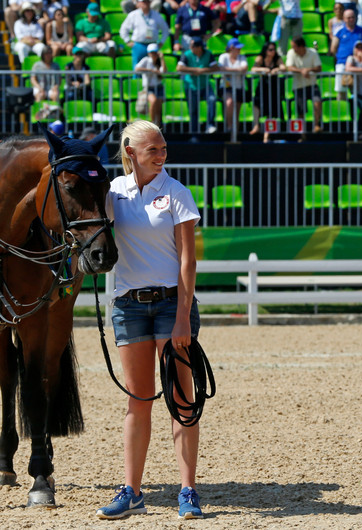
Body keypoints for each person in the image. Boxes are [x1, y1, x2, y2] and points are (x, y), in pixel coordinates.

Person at [97, 120, 202, 521]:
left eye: (163, 148)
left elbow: (188, 260)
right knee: (137, 401)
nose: (162, 155)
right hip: (128, 305)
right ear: (130, 152)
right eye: (153, 150)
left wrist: (182, 319)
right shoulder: (111, 195)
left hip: (173, 304)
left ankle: (188, 489)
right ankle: (132, 490)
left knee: (181, 399)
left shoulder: (176, 192)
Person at [178, 36, 219, 135]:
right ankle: (194, 132)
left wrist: (202, 70)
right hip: (191, 86)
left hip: (205, 85)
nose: (191, 48)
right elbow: (179, 67)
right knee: (193, 110)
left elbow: (215, 67)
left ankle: (210, 124)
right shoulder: (187, 54)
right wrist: (195, 70)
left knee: (212, 99)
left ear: (199, 47)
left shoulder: (208, 54)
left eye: (192, 46)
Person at [285, 36, 323, 137]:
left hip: (312, 84)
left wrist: (308, 70)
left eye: (294, 47)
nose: (293, 49)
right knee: (300, 110)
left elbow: (319, 68)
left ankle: (316, 125)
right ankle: (302, 133)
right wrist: (302, 71)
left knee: (318, 102)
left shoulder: (313, 52)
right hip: (298, 86)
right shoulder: (291, 53)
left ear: (301, 46)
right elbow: (289, 67)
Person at [250, 42, 286, 141]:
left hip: (273, 87)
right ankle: (256, 125)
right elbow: (253, 68)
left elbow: (283, 67)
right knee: (256, 104)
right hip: (263, 86)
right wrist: (263, 69)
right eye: (270, 49)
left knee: (271, 111)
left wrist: (276, 69)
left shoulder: (277, 58)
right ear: (266, 50)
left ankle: (266, 135)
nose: (272, 51)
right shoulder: (260, 58)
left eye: (274, 49)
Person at [120, 0, 170, 68]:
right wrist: (127, 41)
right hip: (138, 45)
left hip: (153, 44)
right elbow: (123, 29)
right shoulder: (133, 15)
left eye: (147, 1)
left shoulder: (156, 15)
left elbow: (165, 30)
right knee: (137, 68)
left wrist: (162, 42)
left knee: (154, 67)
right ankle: (136, 79)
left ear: (150, 3)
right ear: (139, 3)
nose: (145, 3)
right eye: (143, 1)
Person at [331, 9, 362, 100]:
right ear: (344, 19)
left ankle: (357, 112)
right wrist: (340, 57)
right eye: (348, 18)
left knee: (358, 92)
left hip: (357, 65)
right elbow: (333, 48)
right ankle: (341, 111)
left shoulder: (361, 31)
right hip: (342, 64)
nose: (351, 19)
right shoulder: (340, 31)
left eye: (353, 17)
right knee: (341, 90)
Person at [218, 37, 249, 132]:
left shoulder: (242, 57)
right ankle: (229, 126)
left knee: (237, 112)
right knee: (229, 102)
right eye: (237, 48)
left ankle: (234, 136)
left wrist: (229, 71)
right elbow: (221, 69)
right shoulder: (223, 56)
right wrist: (237, 70)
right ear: (231, 48)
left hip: (239, 87)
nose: (239, 50)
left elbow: (244, 69)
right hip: (226, 87)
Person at [135, 42, 167, 126]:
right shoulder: (146, 60)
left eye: (155, 52)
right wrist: (151, 70)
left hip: (159, 87)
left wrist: (162, 58)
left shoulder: (159, 62)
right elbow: (137, 68)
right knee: (153, 101)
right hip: (149, 88)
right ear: (149, 53)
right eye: (152, 52)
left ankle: (159, 127)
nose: (153, 54)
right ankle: (152, 125)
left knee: (158, 109)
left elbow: (164, 71)